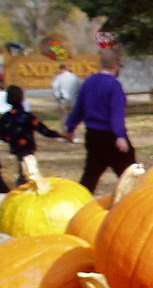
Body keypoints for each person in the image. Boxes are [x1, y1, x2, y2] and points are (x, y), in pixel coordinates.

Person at [64, 46, 135, 193]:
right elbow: (116, 113)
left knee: (91, 174)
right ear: (115, 65)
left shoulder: (88, 83)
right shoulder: (114, 86)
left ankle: (80, 201)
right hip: (110, 136)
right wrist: (120, 136)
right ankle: (136, 201)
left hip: (93, 135)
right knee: (130, 173)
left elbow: (79, 109)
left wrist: (70, 128)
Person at [1, 84, 70, 189]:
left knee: (24, 169)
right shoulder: (27, 117)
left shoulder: (6, 117)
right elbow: (44, 131)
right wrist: (61, 135)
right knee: (29, 173)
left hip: (15, 148)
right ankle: (23, 192)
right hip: (27, 148)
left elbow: (1, 134)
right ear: (22, 98)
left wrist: (10, 139)